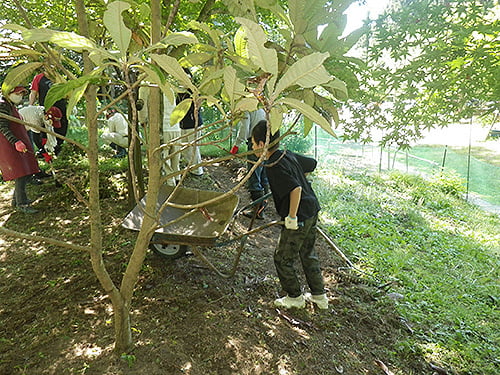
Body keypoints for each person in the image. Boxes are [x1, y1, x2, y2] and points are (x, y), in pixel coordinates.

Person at [251, 120, 328, 310]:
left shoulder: (273, 165)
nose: (252, 147)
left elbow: (295, 189)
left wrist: (292, 217)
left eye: (253, 143)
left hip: (300, 215)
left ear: (262, 144)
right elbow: (311, 164)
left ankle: (295, 297)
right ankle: (319, 296)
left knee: (282, 258)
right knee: (307, 253)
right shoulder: (286, 154)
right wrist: (298, 174)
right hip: (312, 209)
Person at [0, 86, 40, 213]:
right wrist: (15, 141)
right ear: (9, 93)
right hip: (9, 145)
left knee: (23, 171)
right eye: (18, 93)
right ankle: (22, 204)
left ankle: (16, 200)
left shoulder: (9, 104)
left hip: (16, 143)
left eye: (22, 94)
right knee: (20, 173)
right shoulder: (2, 106)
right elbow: (2, 127)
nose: (20, 96)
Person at [138, 86, 181, 185]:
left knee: (164, 160)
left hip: (161, 128)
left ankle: (170, 185)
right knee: (175, 158)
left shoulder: (145, 87)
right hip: (175, 127)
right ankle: (177, 179)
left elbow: (142, 108)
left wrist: (142, 120)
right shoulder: (169, 86)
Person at [231, 109, 269, 219]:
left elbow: (244, 129)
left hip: (256, 143)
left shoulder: (247, 109)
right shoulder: (262, 107)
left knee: (254, 176)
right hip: (266, 143)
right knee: (263, 175)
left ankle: (257, 210)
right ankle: (263, 206)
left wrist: (236, 144)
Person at [29, 71, 68, 155]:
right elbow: (33, 92)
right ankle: (44, 149)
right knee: (45, 128)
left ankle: (58, 147)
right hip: (46, 107)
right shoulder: (38, 78)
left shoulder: (59, 76)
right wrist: (30, 106)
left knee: (61, 127)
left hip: (60, 107)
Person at [177, 91, 204, 176]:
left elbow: (198, 106)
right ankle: (191, 167)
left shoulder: (194, 93)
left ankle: (198, 171)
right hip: (183, 125)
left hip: (193, 125)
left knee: (193, 148)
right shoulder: (178, 94)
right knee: (185, 148)